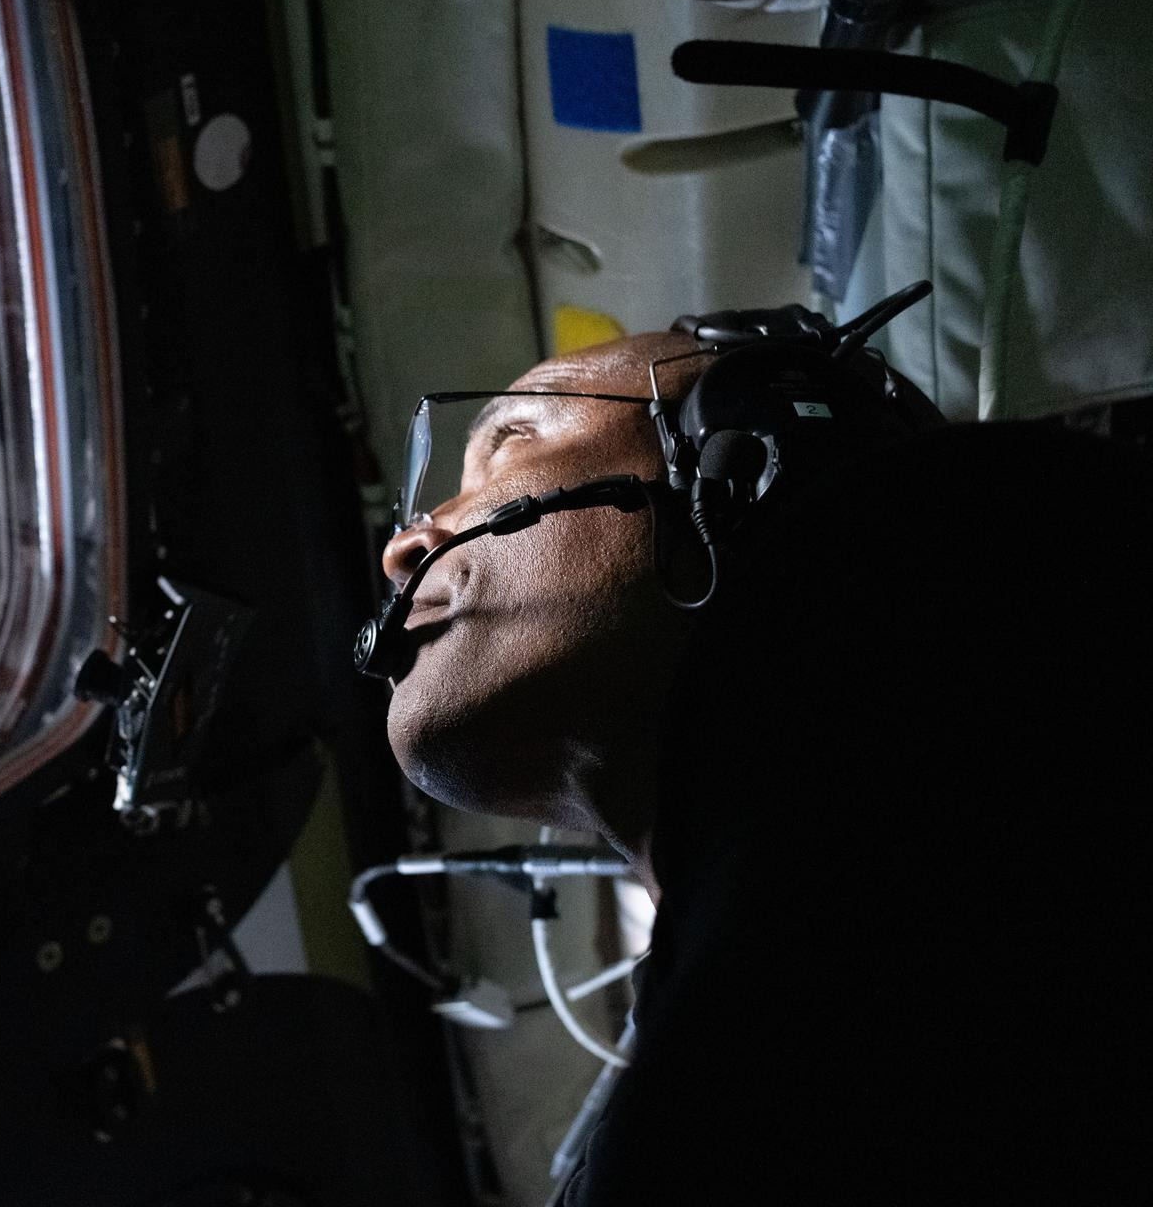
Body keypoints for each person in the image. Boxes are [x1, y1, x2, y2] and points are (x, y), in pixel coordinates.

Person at [378, 328, 1153, 1203]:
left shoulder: (1044, 584)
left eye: (511, 440)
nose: (403, 547)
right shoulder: (676, 1089)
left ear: (743, 442)